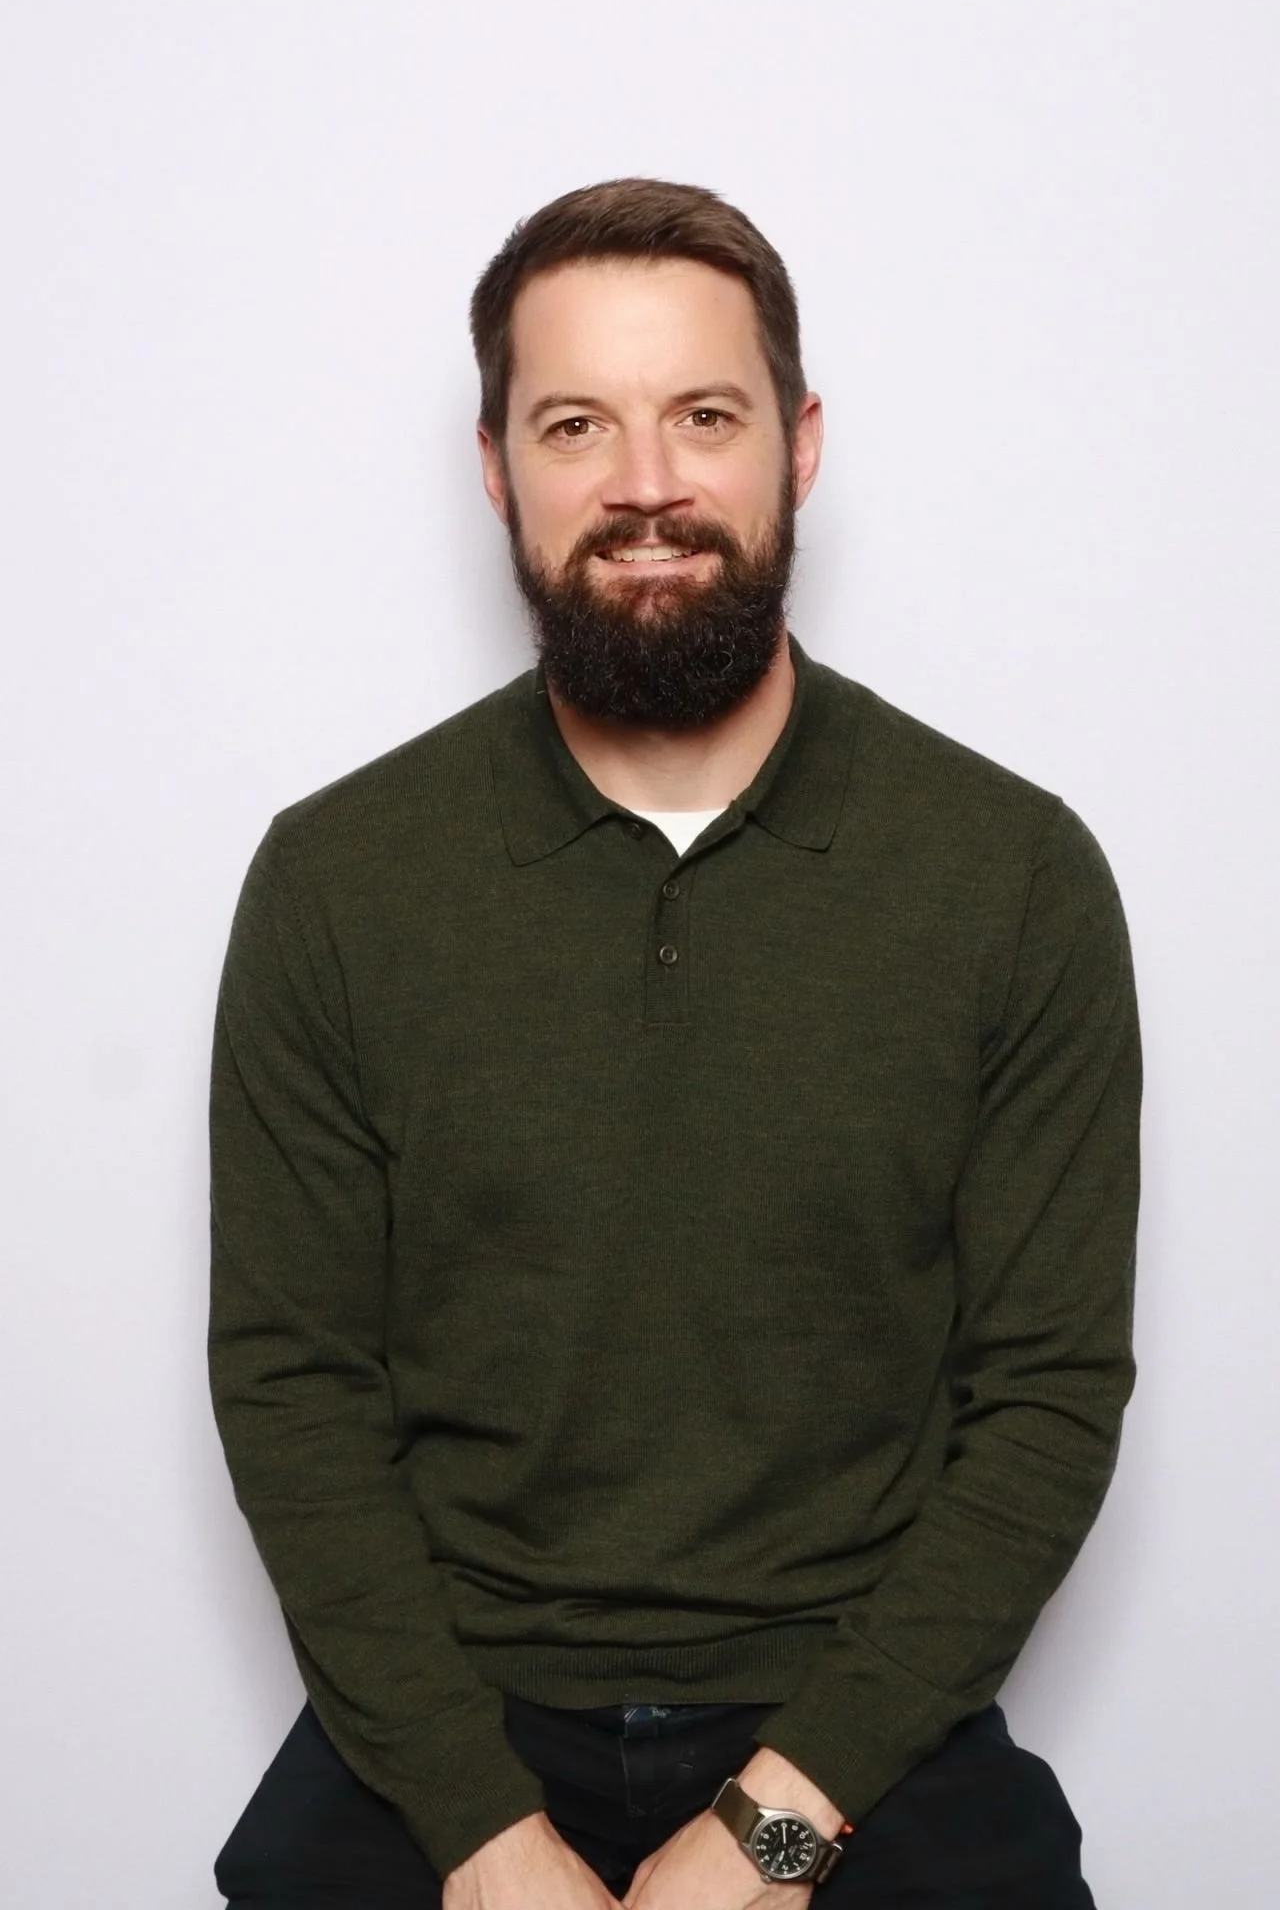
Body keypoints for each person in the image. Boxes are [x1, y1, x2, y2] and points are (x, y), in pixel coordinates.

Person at [208, 177, 1140, 1909]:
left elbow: (1047, 1403)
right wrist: (485, 1841)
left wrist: (780, 1832)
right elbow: (293, 1392)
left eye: (703, 416)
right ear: (494, 466)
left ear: (797, 444)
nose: (648, 483)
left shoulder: (1012, 877)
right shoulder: (338, 882)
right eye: (577, 424)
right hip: (446, 1716)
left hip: (858, 1718)